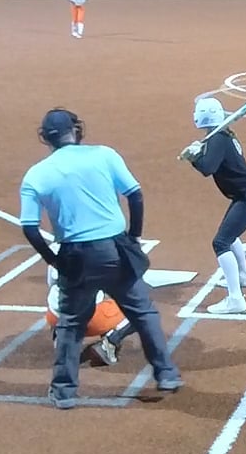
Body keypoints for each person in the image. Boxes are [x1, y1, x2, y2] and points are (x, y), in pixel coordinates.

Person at [18, 108, 181, 408]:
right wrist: (134, 236)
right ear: (76, 130)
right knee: (143, 312)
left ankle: (64, 392)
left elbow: (29, 228)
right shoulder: (104, 155)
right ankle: (167, 373)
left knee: (70, 324)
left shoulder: (36, 174)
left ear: (46, 138)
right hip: (115, 249)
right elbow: (135, 195)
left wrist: (53, 260)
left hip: (75, 255)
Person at [181, 96, 246, 315]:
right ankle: (244, 276)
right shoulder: (220, 135)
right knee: (230, 235)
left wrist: (194, 158)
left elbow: (207, 168)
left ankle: (236, 299)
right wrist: (198, 153)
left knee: (221, 243)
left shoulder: (217, 138)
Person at [44, 263, 127, 367]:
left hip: (54, 316)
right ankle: (110, 343)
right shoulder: (101, 255)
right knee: (135, 306)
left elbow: (51, 283)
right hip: (90, 320)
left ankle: (62, 335)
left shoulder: (57, 252)